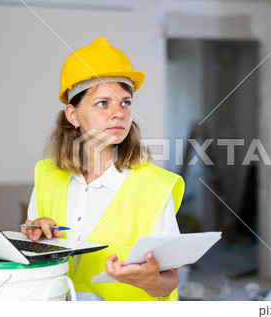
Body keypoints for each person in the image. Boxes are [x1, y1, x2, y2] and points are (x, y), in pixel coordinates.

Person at [21, 37, 185, 301]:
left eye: (125, 102)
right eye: (102, 103)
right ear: (72, 115)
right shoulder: (47, 175)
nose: (119, 113)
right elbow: (35, 254)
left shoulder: (154, 187)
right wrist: (36, 236)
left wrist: (150, 280)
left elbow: (169, 280)